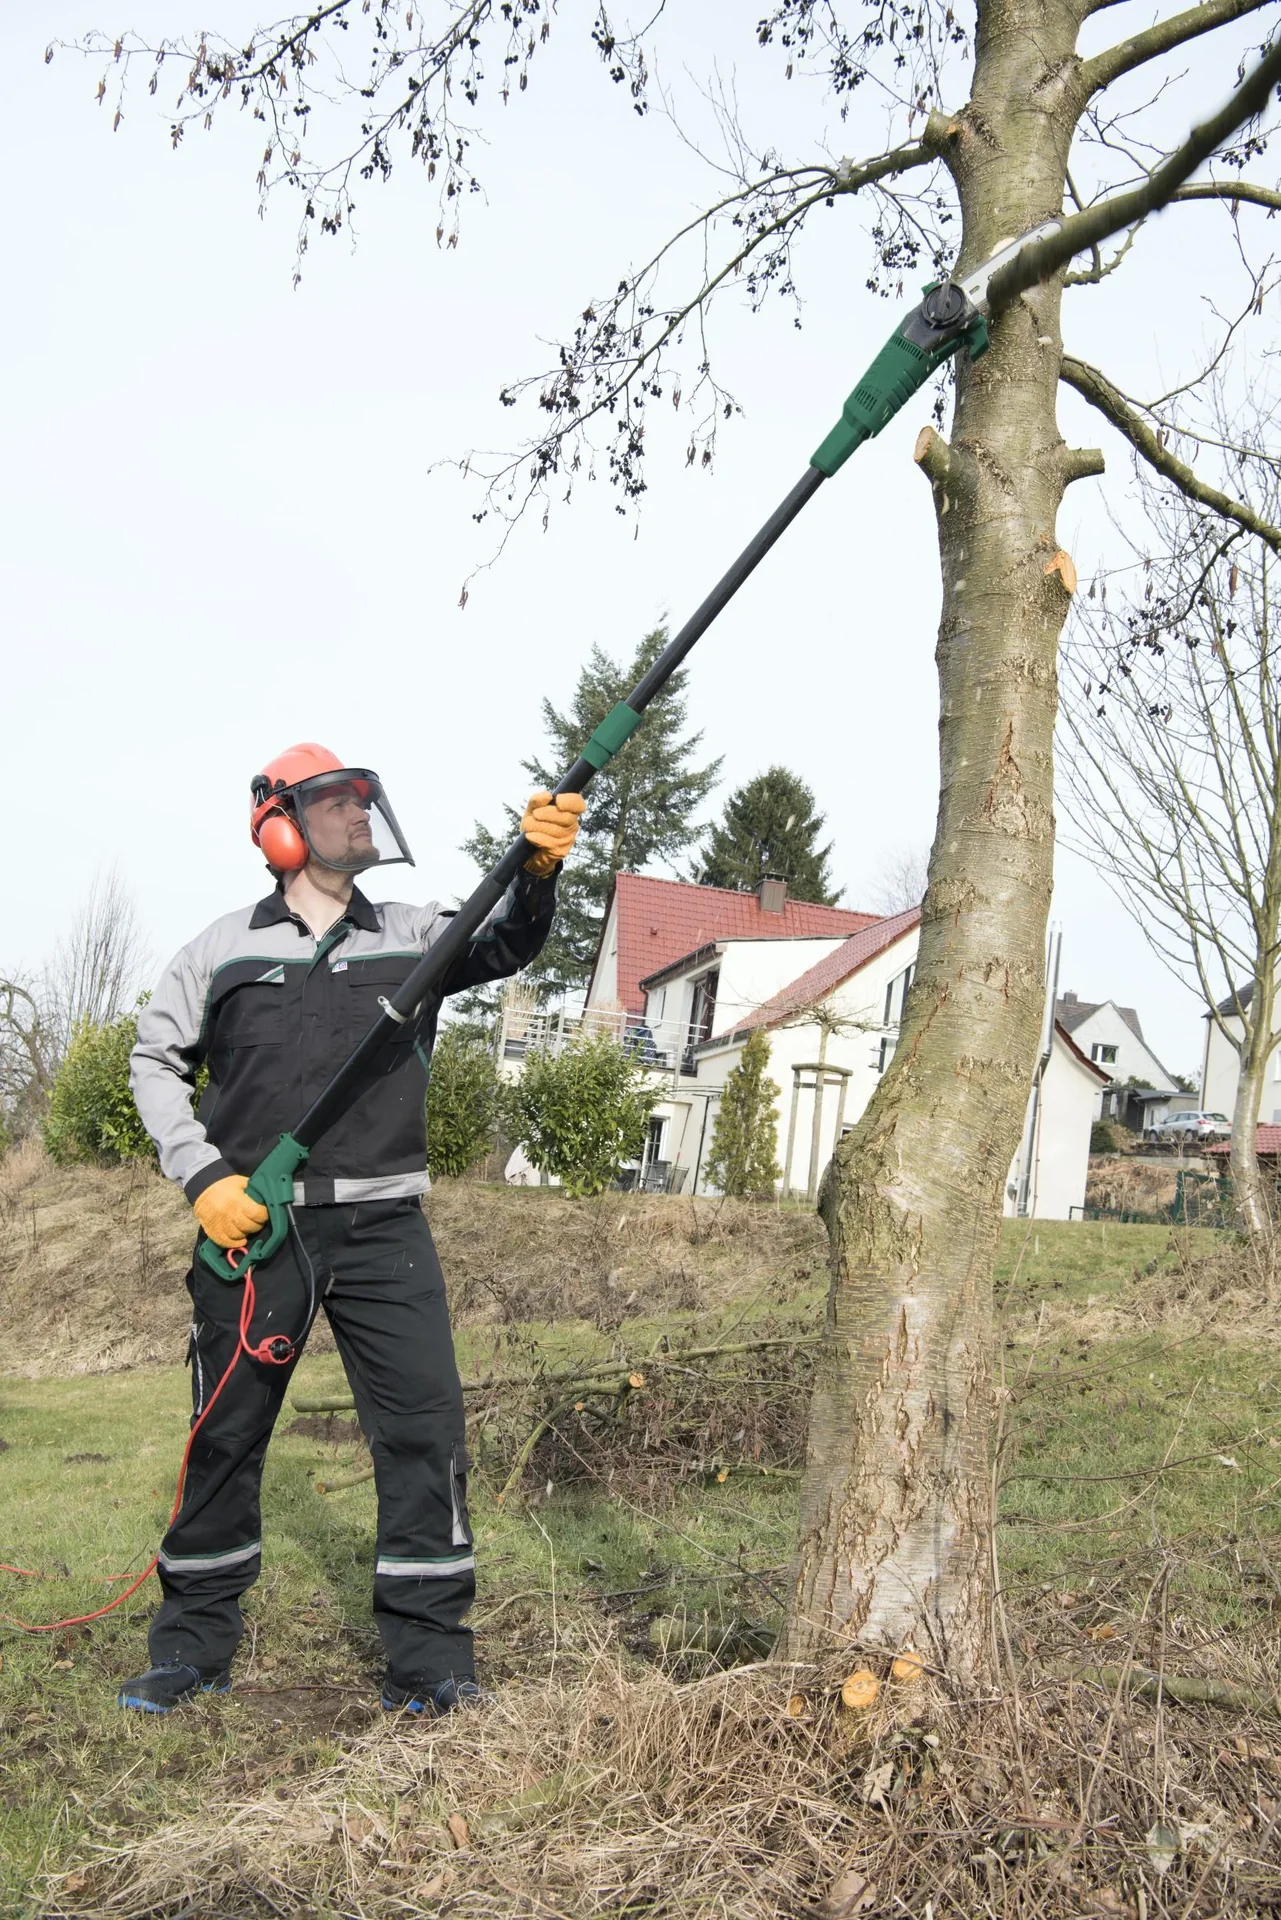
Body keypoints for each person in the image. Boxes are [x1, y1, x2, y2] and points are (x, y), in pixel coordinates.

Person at [120, 743, 584, 1716]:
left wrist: (538, 874)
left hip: (385, 1230)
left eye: (366, 798)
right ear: (281, 827)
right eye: (338, 801)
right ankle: (191, 1649)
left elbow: (504, 941)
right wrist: (205, 1178)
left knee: (424, 1434)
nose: (362, 815)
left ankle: (430, 1662)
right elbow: (152, 1062)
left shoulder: (416, 931)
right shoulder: (220, 948)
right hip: (260, 1237)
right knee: (225, 1440)